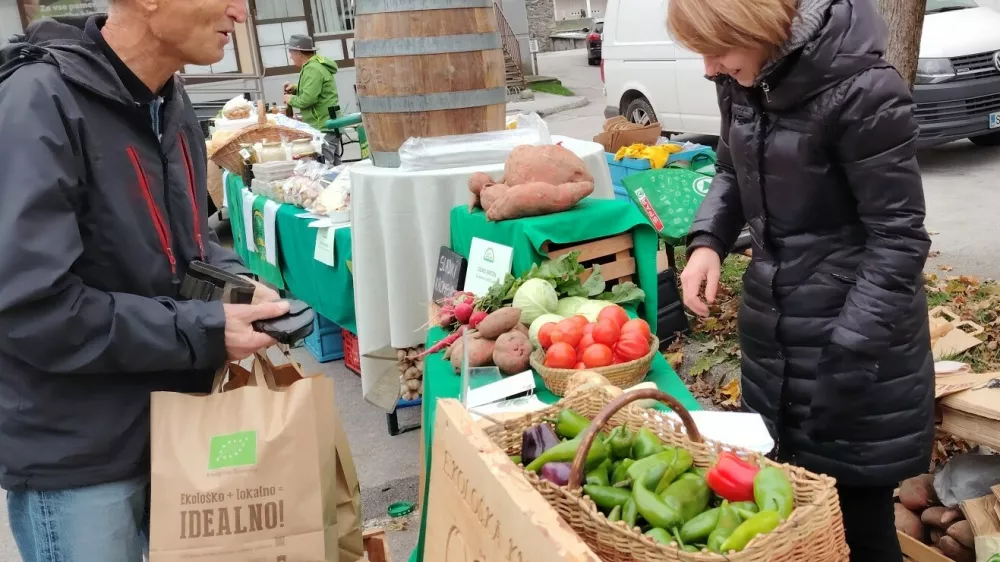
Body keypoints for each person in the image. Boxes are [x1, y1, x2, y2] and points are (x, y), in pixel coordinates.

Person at [0, 1, 290, 559]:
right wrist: (205, 329)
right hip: (83, 457)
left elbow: (188, 246)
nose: (239, 11)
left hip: (175, 431)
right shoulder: (37, 101)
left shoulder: (168, 98)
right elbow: (32, 306)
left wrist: (236, 287)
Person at [669, 0, 934, 560]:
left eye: (716, 49)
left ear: (756, 27)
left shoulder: (866, 92)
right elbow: (729, 168)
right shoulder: (744, 78)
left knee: (859, 523)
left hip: (857, 345)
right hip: (773, 332)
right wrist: (707, 242)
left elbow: (899, 239)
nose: (708, 68)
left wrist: (847, 354)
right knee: (792, 508)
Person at [283, 34, 343, 165]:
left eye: (291, 53)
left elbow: (308, 99)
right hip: (329, 124)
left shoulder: (312, 68)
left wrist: (291, 99)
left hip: (322, 126)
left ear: (299, 53)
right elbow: (315, 90)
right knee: (335, 167)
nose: (290, 56)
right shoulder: (316, 65)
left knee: (323, 167)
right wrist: (296, 88)